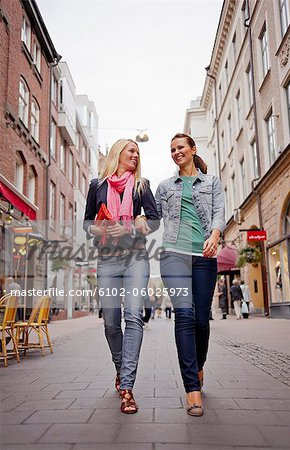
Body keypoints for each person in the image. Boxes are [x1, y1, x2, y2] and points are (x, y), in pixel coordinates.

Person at [83, 138, 159, 414]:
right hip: (107, 260)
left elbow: (154, 218)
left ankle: (127, 388)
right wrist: (102, 229)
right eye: (131, 151)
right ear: (117, 154)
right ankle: (121, 369)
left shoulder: (142, 185)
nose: (136, 156)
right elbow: (87, 222)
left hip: (136, 258)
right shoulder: (97, 186)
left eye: (138, 152)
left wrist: (131, 228)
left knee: (134, 317)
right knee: (111, 324)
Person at [155, 133, 225, 416]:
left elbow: (219, 212)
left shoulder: (211, 182)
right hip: (173, 254)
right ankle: (191, 388)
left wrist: (215, 236)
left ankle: (198, 366)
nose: (175, 152)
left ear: (193, 149)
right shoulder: (164, 186)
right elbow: (151, 219)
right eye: (171, 149)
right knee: (184, 314)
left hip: (204, 256)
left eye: (180, 147)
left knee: (200, 320)